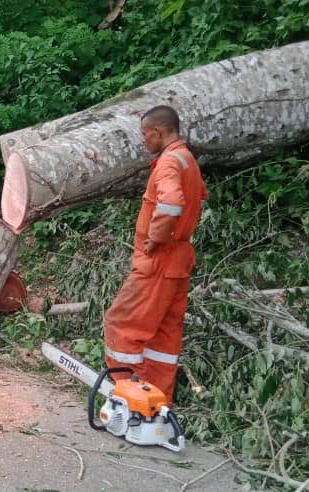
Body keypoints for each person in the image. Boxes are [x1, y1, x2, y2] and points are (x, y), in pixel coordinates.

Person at [102, 105, 208, 401]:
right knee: (162, 335)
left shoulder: (169, 162)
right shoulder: (188, 160)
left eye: (145, 134)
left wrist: (154, 240)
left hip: (159, 261)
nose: (144, 140)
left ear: (158, 132)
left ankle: (125, 395)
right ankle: (157, 399)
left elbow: (171, 202)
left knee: (122, 325)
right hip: (179, 260)